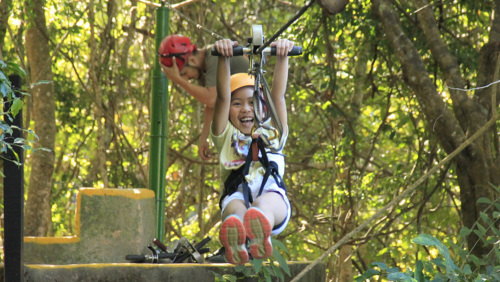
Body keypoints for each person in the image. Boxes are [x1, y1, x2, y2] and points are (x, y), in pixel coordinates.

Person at [211, 38, 293, 264]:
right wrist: (224, 59)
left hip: (271, 197)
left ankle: (258, 230)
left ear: (263, 107)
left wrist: (282, 57)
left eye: (252, 102)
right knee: (235, 207)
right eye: (237, 104)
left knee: (263, 204)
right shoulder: (225, 136)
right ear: (228, 111)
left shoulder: (273, 131)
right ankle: (237, 237)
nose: (246, 109)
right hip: (238, 193)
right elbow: (221, 96)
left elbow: (278, 96)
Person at [158, 34, 249, 160]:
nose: (186, 79)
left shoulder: (214, 55)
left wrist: (178, 80)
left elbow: (211, 98)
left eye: (183, 73)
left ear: (192, 61)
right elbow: (211, 105)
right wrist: (204, 138)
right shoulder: (203, 68)